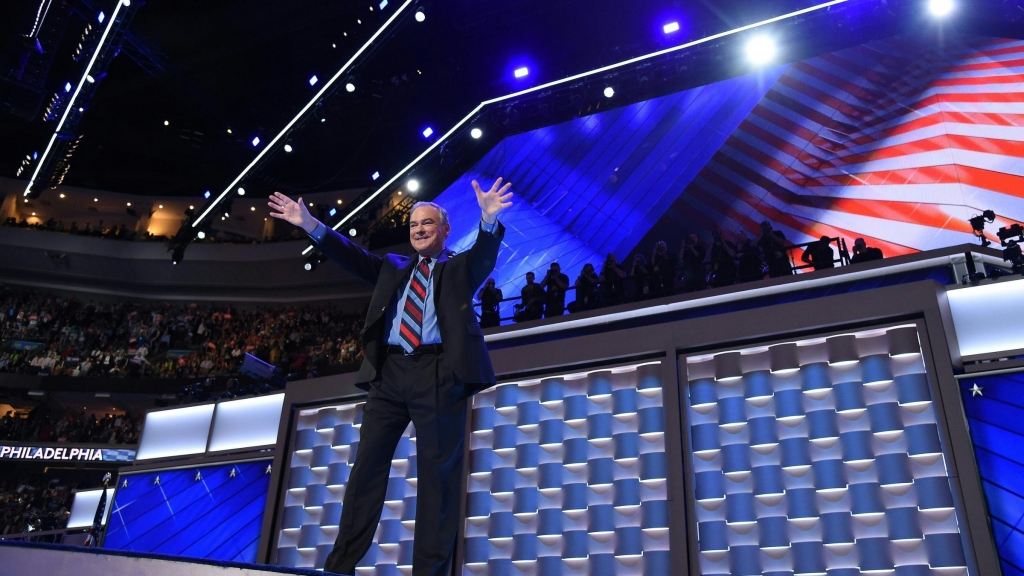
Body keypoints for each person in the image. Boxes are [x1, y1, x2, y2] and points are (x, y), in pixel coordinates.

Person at [268, 176, 513, 576]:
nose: (418, 230)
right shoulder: (392, 268)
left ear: (445, 230)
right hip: (390, 375)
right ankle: (339, 567)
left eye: (427, 223)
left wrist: (488, 220)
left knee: (438, 482)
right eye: (414, 225)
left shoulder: (459, 268)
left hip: (439, 373)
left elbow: (485, 257)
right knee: (365, 471)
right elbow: (350, 254)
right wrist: (311, 224)